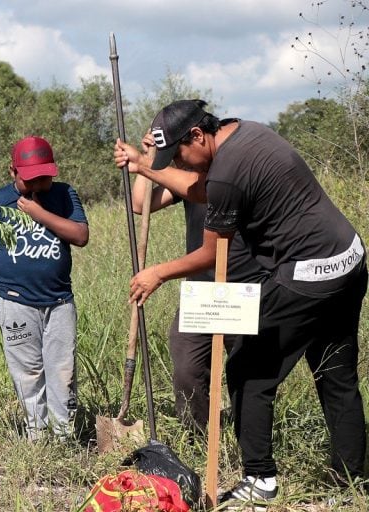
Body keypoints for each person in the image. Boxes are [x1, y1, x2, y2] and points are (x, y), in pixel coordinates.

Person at [118, 99, 366, 507]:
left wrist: (159, 272)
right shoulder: (246, 133)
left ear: (197, 135)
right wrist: (148, 167)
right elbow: (201, 188)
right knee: (336, 374)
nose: (179, 162)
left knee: (248, 369)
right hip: (349, 257)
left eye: (179, 153)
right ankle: (351, 481)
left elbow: (212, 252)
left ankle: (259, 481)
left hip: (309, 272)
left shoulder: (228, 173)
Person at [124, 134, 267, 435]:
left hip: (244, 287)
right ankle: (198, 437)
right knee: (187, 367)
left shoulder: (239, 172)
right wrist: (149, 158)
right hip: (200, 289)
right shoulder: (190, 179)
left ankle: (248, 441)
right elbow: (140, 204)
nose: (178, 159)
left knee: (246, 372)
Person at [0, 135, 89, 440]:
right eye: (32, 177)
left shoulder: (64, 195)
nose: (40, 182)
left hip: (59, 302)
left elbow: (80, 235)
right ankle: (38, 436)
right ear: (13, 172)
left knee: (63, 372)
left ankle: (64, 438)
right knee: (27, 373)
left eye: (45, 175)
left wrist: (39, 214)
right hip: (16, 302)